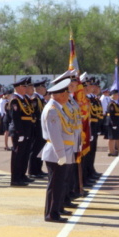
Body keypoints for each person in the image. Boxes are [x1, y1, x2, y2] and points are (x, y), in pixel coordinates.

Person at [40, 78, 76, 223]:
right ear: (60, 94)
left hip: (61, 151)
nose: (68, 96)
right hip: (56, 152)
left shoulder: (57, 108)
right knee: (55, 185)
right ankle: (51, 214)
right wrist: (61, 154)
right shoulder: (53, 111)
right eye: (66, 93)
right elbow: (55, 135)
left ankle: (55, 210)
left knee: (58, 184)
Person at [9, 76, 36, 186]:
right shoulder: (15, 100)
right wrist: (20, 133)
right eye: (24, 86)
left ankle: (22, 175)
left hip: (27, 130)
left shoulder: (25, 100)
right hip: (19, 131)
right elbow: (15, 118)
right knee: (18, 155)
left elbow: (30, 114)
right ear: (19, 87)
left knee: (24, 154)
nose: (26, 88)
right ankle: (15, 178)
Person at [105, 91, 119, 156]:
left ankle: (114, 149)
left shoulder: (116, 103)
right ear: (113, 95)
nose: (118, 96)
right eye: (117, 95)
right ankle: (111, 151)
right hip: (112, 122)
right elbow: (111, 114)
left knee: (115, 136)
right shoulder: (111, 104)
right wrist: (113, 124)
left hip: (116, 122)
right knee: (111, 137)